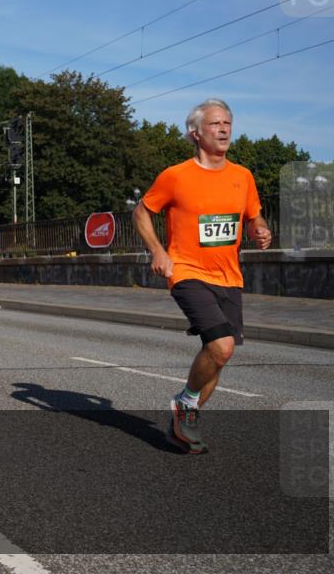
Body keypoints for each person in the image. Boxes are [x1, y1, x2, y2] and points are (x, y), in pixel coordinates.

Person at [133, 98, 271, 455]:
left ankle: (183, 418)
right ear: (195, 134)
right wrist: (158, 251)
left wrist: (259, 229)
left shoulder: (243, 176)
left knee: (219, 356)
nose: (224, 128)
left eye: (227, 122)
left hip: (230, 277)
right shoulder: (176, 176)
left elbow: (254, 216)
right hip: (187, 272)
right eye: (215, 124)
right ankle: (186, 404)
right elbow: (141, 212)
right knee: (221, 345)